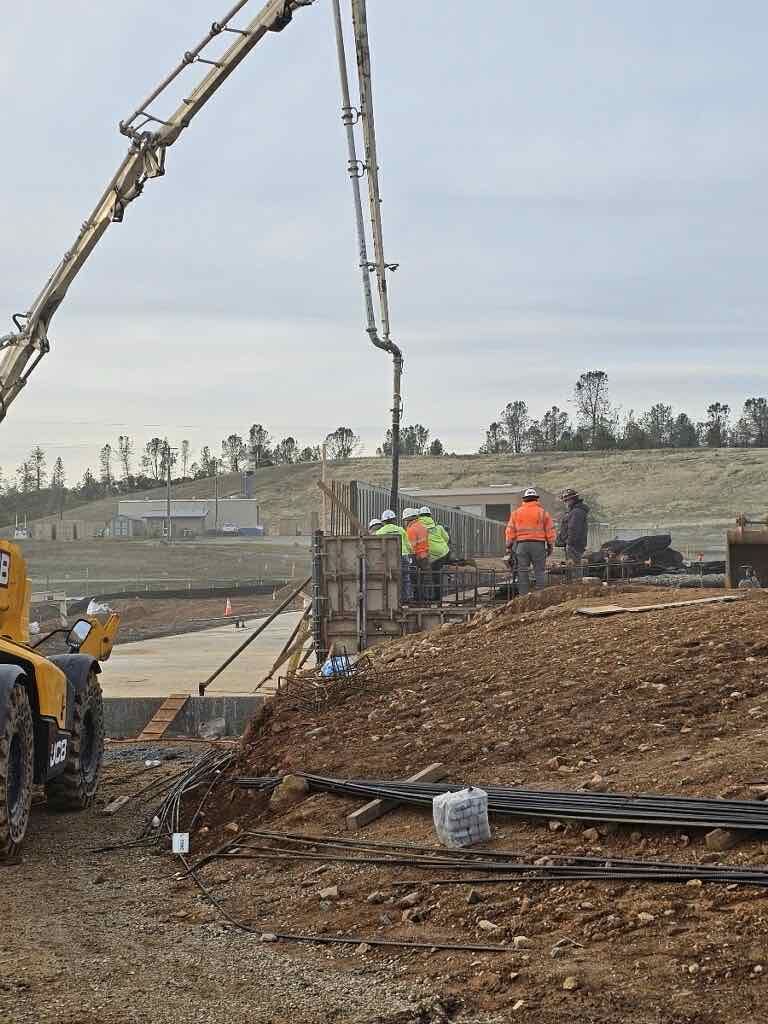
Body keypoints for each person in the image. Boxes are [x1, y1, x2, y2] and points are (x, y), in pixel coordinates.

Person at [505, 487, 555, 596]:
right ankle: (541, 595)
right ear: (536, 499)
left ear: (524, 500)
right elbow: (550, 530)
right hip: (538, 545)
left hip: (521, 545)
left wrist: (508, 546)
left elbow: (510, 530)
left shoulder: (516, 513)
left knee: (522, 571)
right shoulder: (543, 513)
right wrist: (550, 545)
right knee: (539, 571)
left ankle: (524, 595)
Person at [376, 510, 414, 601]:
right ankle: (406, 598)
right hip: (403, 555)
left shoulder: (379, 532)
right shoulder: (401, 530)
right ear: (394, 520)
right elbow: (408, 545)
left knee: (390, 578)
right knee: (405, 578)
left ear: (383, 521)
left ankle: (391, 599)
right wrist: (411, 555)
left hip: (388, 557)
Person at [417, 505, 450, 600]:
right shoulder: (438, 527)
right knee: (436, 574)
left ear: (419, 516)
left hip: (429, 554)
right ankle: (437, 596)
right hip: (443, 552)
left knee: (425, 575)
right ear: (430, 516)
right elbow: (447, 538)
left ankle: (427, 597)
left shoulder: (418, 527)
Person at [403, 508, 431, 603]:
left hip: (416, 557)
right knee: (424, 580)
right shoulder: (422, 527)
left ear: (408, 519)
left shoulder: (411, 529)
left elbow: (411, 547)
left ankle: (417, 601)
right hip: (425, 556)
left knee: (414, 580)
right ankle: (425, 600)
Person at [556, 488, 589, 564]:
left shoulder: (576, 512)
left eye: (566, 500)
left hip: (573, 547)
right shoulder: (575, 511)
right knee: (572, 568)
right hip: (574, 546)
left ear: (572, 500)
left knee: (573, 569)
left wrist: (569, 543)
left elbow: (573, 529)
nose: (565, 503)